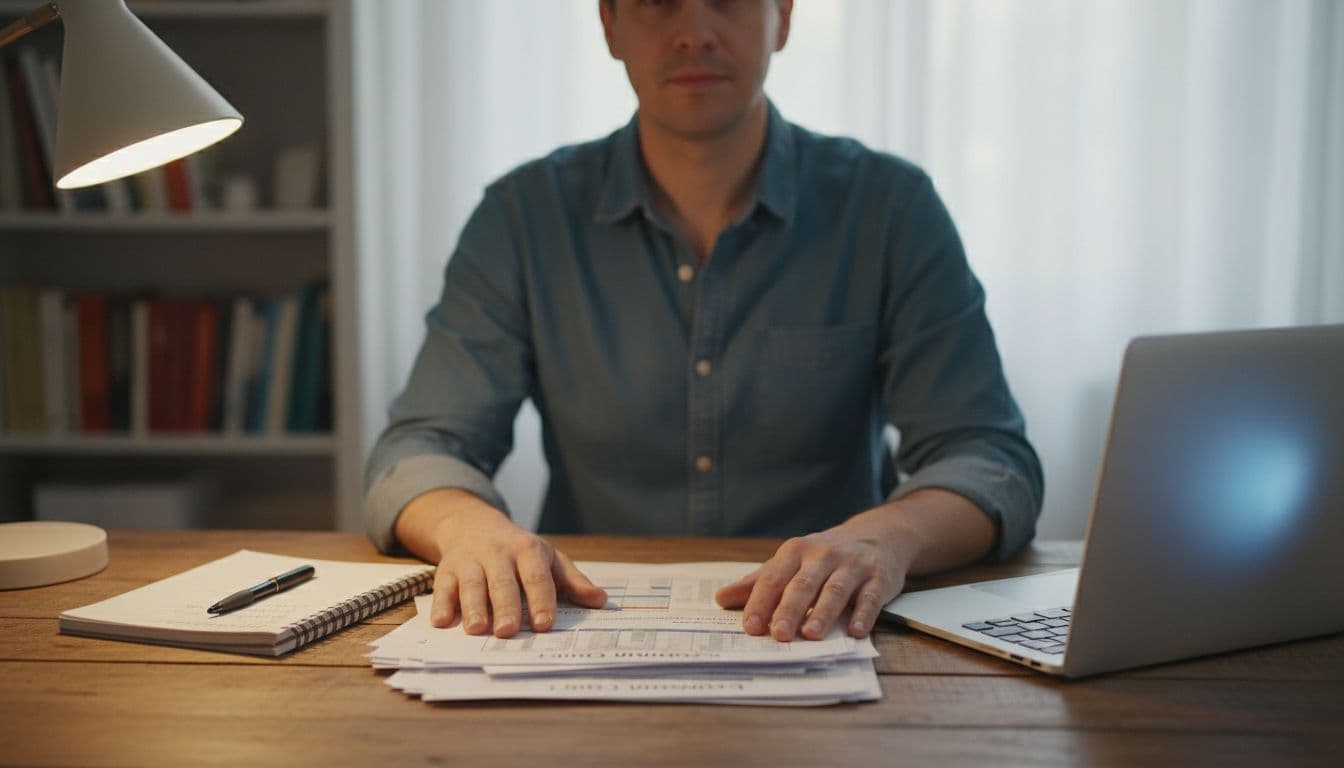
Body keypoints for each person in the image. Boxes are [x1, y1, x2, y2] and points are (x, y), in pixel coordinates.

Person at [365, 0, 1043, 645]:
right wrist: (467, 526)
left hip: (826, 634)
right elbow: (421, 446)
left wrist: (886, 538)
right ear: (609, 24)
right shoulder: (522, 217)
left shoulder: (890, 209)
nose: (694, 32)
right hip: (579, 638)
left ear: (782, 16)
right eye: (658, 2)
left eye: (726, 0)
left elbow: (988, 458)